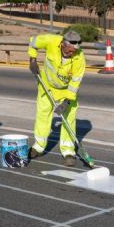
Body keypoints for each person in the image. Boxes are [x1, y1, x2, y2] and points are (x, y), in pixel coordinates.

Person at [27, 30, 86, 166]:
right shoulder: (51, 40)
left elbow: (75, 82)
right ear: (63, 45)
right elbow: (33, 42)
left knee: (69, 118)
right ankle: (39, 146)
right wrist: (32, 59)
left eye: (75, 51)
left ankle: (68, 151)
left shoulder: (80, 57)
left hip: (66, 91)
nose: (73, 53)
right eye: (70, 51)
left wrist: (67, 101)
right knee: (42, 115)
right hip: (46, 86)